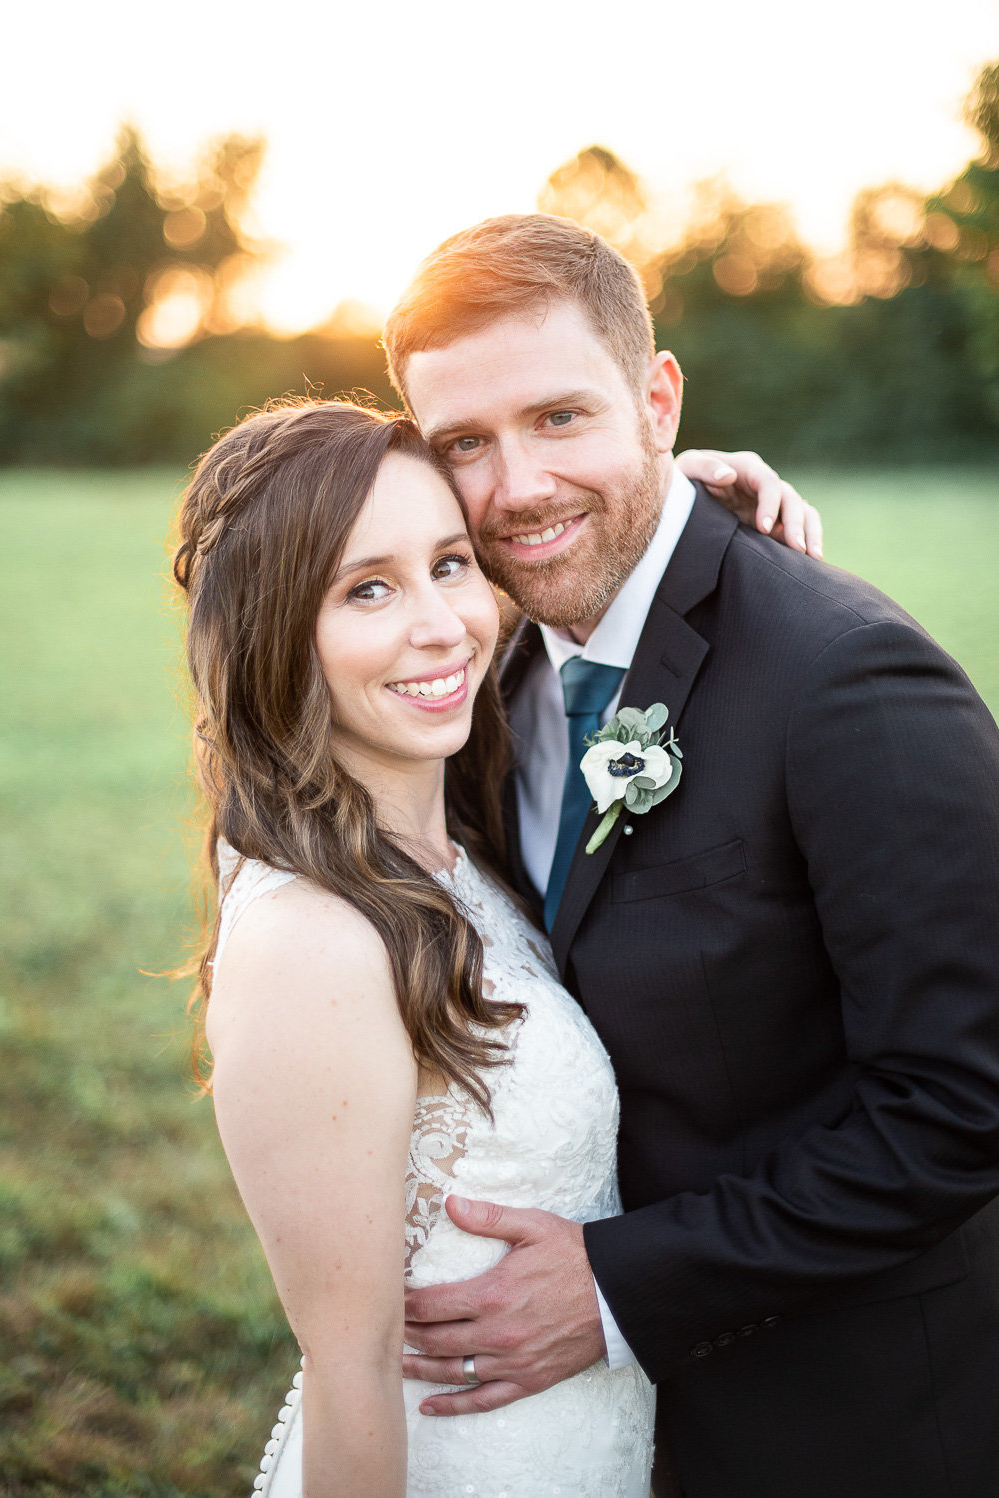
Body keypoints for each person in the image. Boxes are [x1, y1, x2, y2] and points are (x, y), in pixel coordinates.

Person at [383, 214, 999, 1498]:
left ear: (657, 400)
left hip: (848, 1423)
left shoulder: (847, 680)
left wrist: (618, 1285)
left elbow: (960, 1105)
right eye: (465, 444)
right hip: (598, 1431)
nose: (516, 487)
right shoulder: (484, 665)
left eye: (562, 417)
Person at [173, 398, 814, 1497]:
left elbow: (561, 590)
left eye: (452, 563)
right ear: (278, 627)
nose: (440, 625)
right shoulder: (311, 940)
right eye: (366, 587)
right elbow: (352, 1373)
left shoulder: (465, 829)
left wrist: (667, 509)